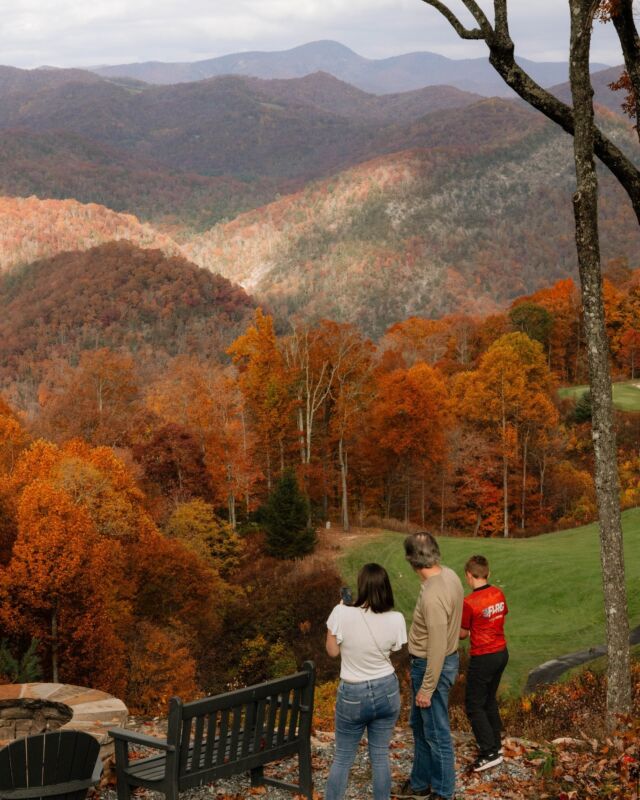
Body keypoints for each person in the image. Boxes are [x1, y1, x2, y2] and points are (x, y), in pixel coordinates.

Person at [324, 563, 407, 800]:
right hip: (387, 688)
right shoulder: (397, 618)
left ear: (361, 586)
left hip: (353, 692)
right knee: (380, 756)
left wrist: (337, 614)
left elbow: (332, 651)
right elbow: (393, 648)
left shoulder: (341, 613)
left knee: (342, 758)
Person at [395, 532, 463, 800]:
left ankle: (444, 793)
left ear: (412, 561)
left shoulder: (433, 595)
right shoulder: (450, 575)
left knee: (437, 733)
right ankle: (420, 783)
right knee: (421, 727)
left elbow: (436, 646)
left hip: (432, 666)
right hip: (434, 663)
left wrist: (427, 687)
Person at [459, 554, 509, 772]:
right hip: (501, 652)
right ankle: (496, 744)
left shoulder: (469, 602)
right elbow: (500, 614)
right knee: (489, 699)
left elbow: (462, 634)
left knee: (473, 704)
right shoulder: (498, 593)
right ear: (487, 573)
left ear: (469, 575)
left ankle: (488, 752)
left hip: (484, 655)